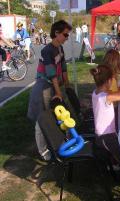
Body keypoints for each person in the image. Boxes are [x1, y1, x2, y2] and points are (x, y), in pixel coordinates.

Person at [27, 20, 72, 161]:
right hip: (43, 88)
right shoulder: (47, 50)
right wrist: (58, 92)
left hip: (53, 86)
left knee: (59, 115)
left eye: (68, 35)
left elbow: (63, 68)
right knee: (42, 119)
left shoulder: (60, 48)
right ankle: (44, 151)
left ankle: (60, 142)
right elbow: (51, 73)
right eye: (65, 35)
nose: (67, 38)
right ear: (57, 33)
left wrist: (67, 85)